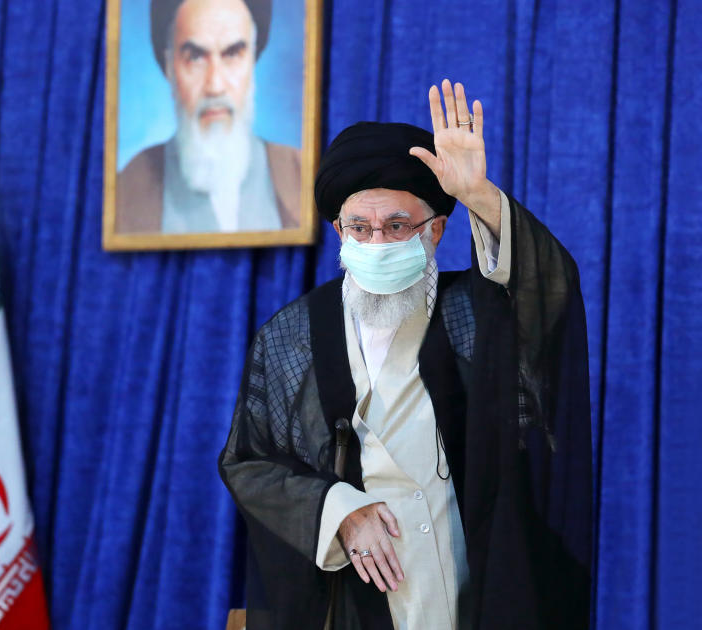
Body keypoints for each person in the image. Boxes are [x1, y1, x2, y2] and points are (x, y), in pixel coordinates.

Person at [219, 80, 592, 629]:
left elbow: (548, 292)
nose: (376, 243)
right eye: (359, 228)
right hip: (353, 594)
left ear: (436, 230)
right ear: (338, 233)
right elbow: (248, 462)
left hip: (470, 580)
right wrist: (338, 511)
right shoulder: (291, 334)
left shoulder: (474, 312)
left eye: (397, 226)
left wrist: (479, 196)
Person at [115, 0, 300, 234]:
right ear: (171, 68)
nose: (215, 85)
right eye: (195, 57)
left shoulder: (301, 175)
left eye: (232, 53)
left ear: (252, 61)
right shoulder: (127, 191)